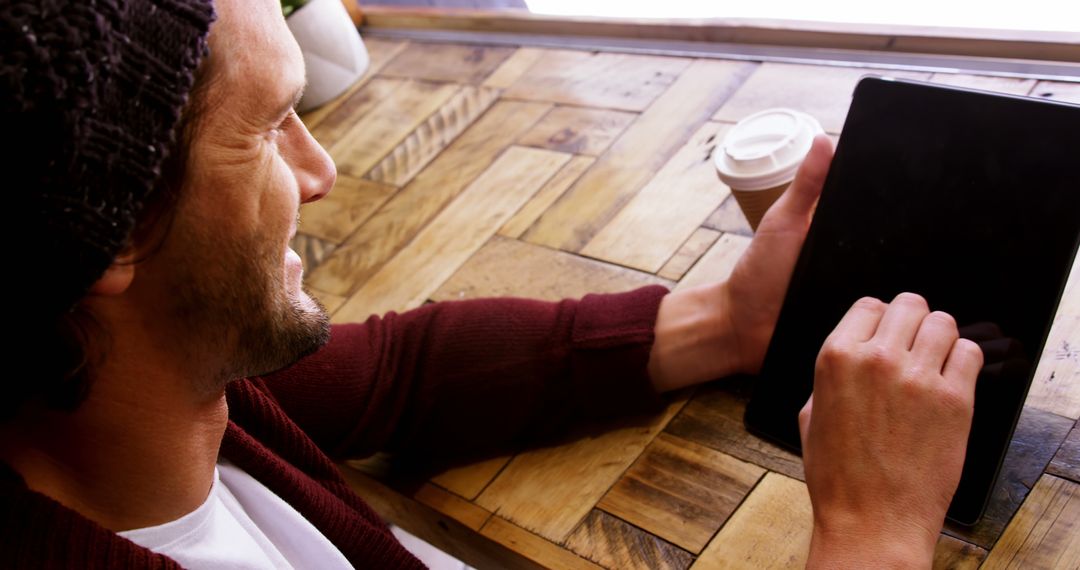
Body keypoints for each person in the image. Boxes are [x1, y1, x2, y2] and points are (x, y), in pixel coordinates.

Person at [1, 0, 983, 568]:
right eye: (266, 127)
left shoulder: (128, 395)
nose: (318, 173)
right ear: (112, 230)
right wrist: (872, 537)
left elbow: (394, 371)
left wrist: (727, 320)